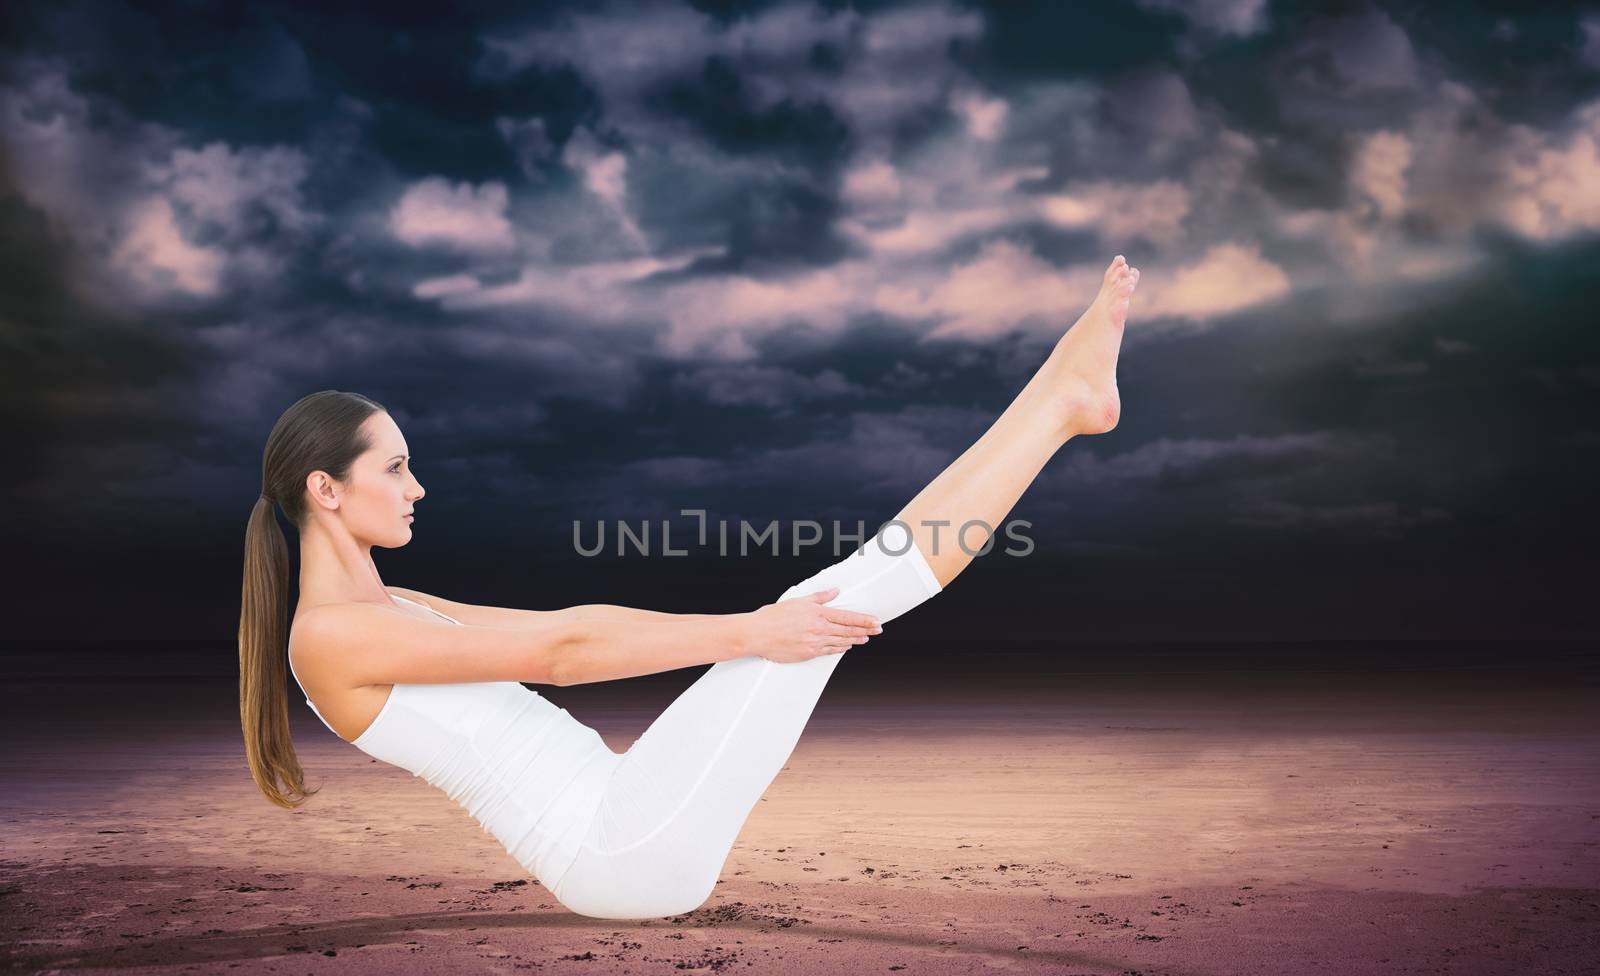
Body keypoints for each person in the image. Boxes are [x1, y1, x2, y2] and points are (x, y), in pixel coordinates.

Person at [239, 257, 1140, 920]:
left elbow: (568, 625)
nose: (416, 487)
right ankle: (1060, 403)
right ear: (326, 488)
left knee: (821, 596)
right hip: (617, 851)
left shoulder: (396, 607)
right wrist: (749, 632)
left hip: (623, 810)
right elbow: (561, 655)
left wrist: (753, 628)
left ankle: (1061, 402)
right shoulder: (328, 636)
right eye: (395, 468)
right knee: (821, 606)